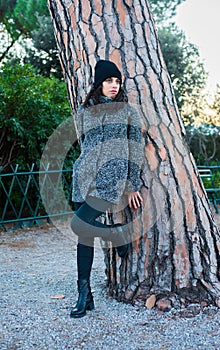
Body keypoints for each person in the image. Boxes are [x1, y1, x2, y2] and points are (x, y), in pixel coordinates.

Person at [70, 59, 144, 318]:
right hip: (83, 178)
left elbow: (136, 149)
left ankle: (117, 234)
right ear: (99, 83)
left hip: (109, 181)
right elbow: (87, 146)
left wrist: (133, 184)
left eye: (117, 81)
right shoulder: (86, 110)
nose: (114, 86)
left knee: (78, 225)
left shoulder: (127, 112)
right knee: (84, 236)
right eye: (109, 81)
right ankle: (84, 294)